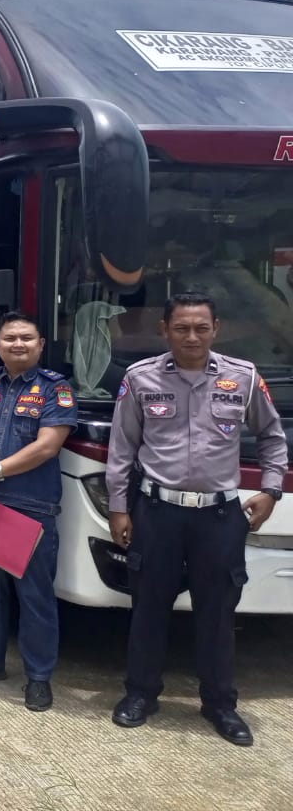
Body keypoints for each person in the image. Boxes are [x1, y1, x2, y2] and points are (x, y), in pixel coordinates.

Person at [106, 291, 286, 746]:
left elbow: (271, 436)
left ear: (215, 329)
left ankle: (220, 705)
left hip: (220, 516)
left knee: (218, 613)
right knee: (148, 608)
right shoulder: (140, 378)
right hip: (157, 513)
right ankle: (141, 694)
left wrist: (270, 490)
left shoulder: (242, 377)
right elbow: (122, 448)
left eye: (201, 328)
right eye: (182, 327)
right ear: (165, 330)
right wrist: (119, 506)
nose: (192, 336)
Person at [0, 311, 77, 712]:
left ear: (40, 344)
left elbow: (47, 446)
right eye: (9, 338)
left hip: (30, 505)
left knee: (35, 596)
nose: (17, 344)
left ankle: (38, 677)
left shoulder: (55, 389)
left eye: (26, 338)